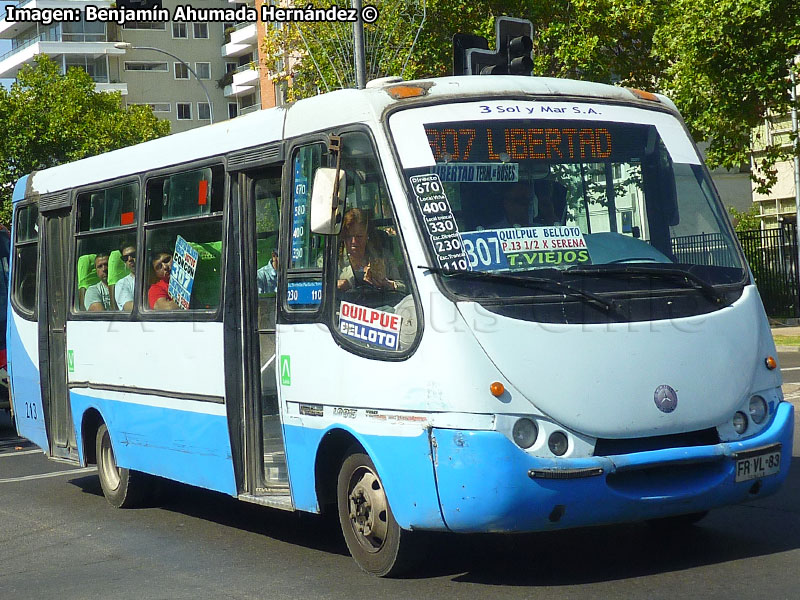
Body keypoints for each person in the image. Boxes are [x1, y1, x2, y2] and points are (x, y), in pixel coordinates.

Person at [337, 208, 404, 292]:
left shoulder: (384, 256)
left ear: (367, 236)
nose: (354, 241)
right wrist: (335, 286)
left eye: (359, 236)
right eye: (349, 236)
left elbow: (403, 288)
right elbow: (317, 286)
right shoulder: (334, 259)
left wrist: (387, 284)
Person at [114, 238, 137, 312]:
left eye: (133, 255)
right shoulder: (122, 284)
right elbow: (130, 308)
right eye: (125, 258)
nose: (130, 259)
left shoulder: (156, 276)